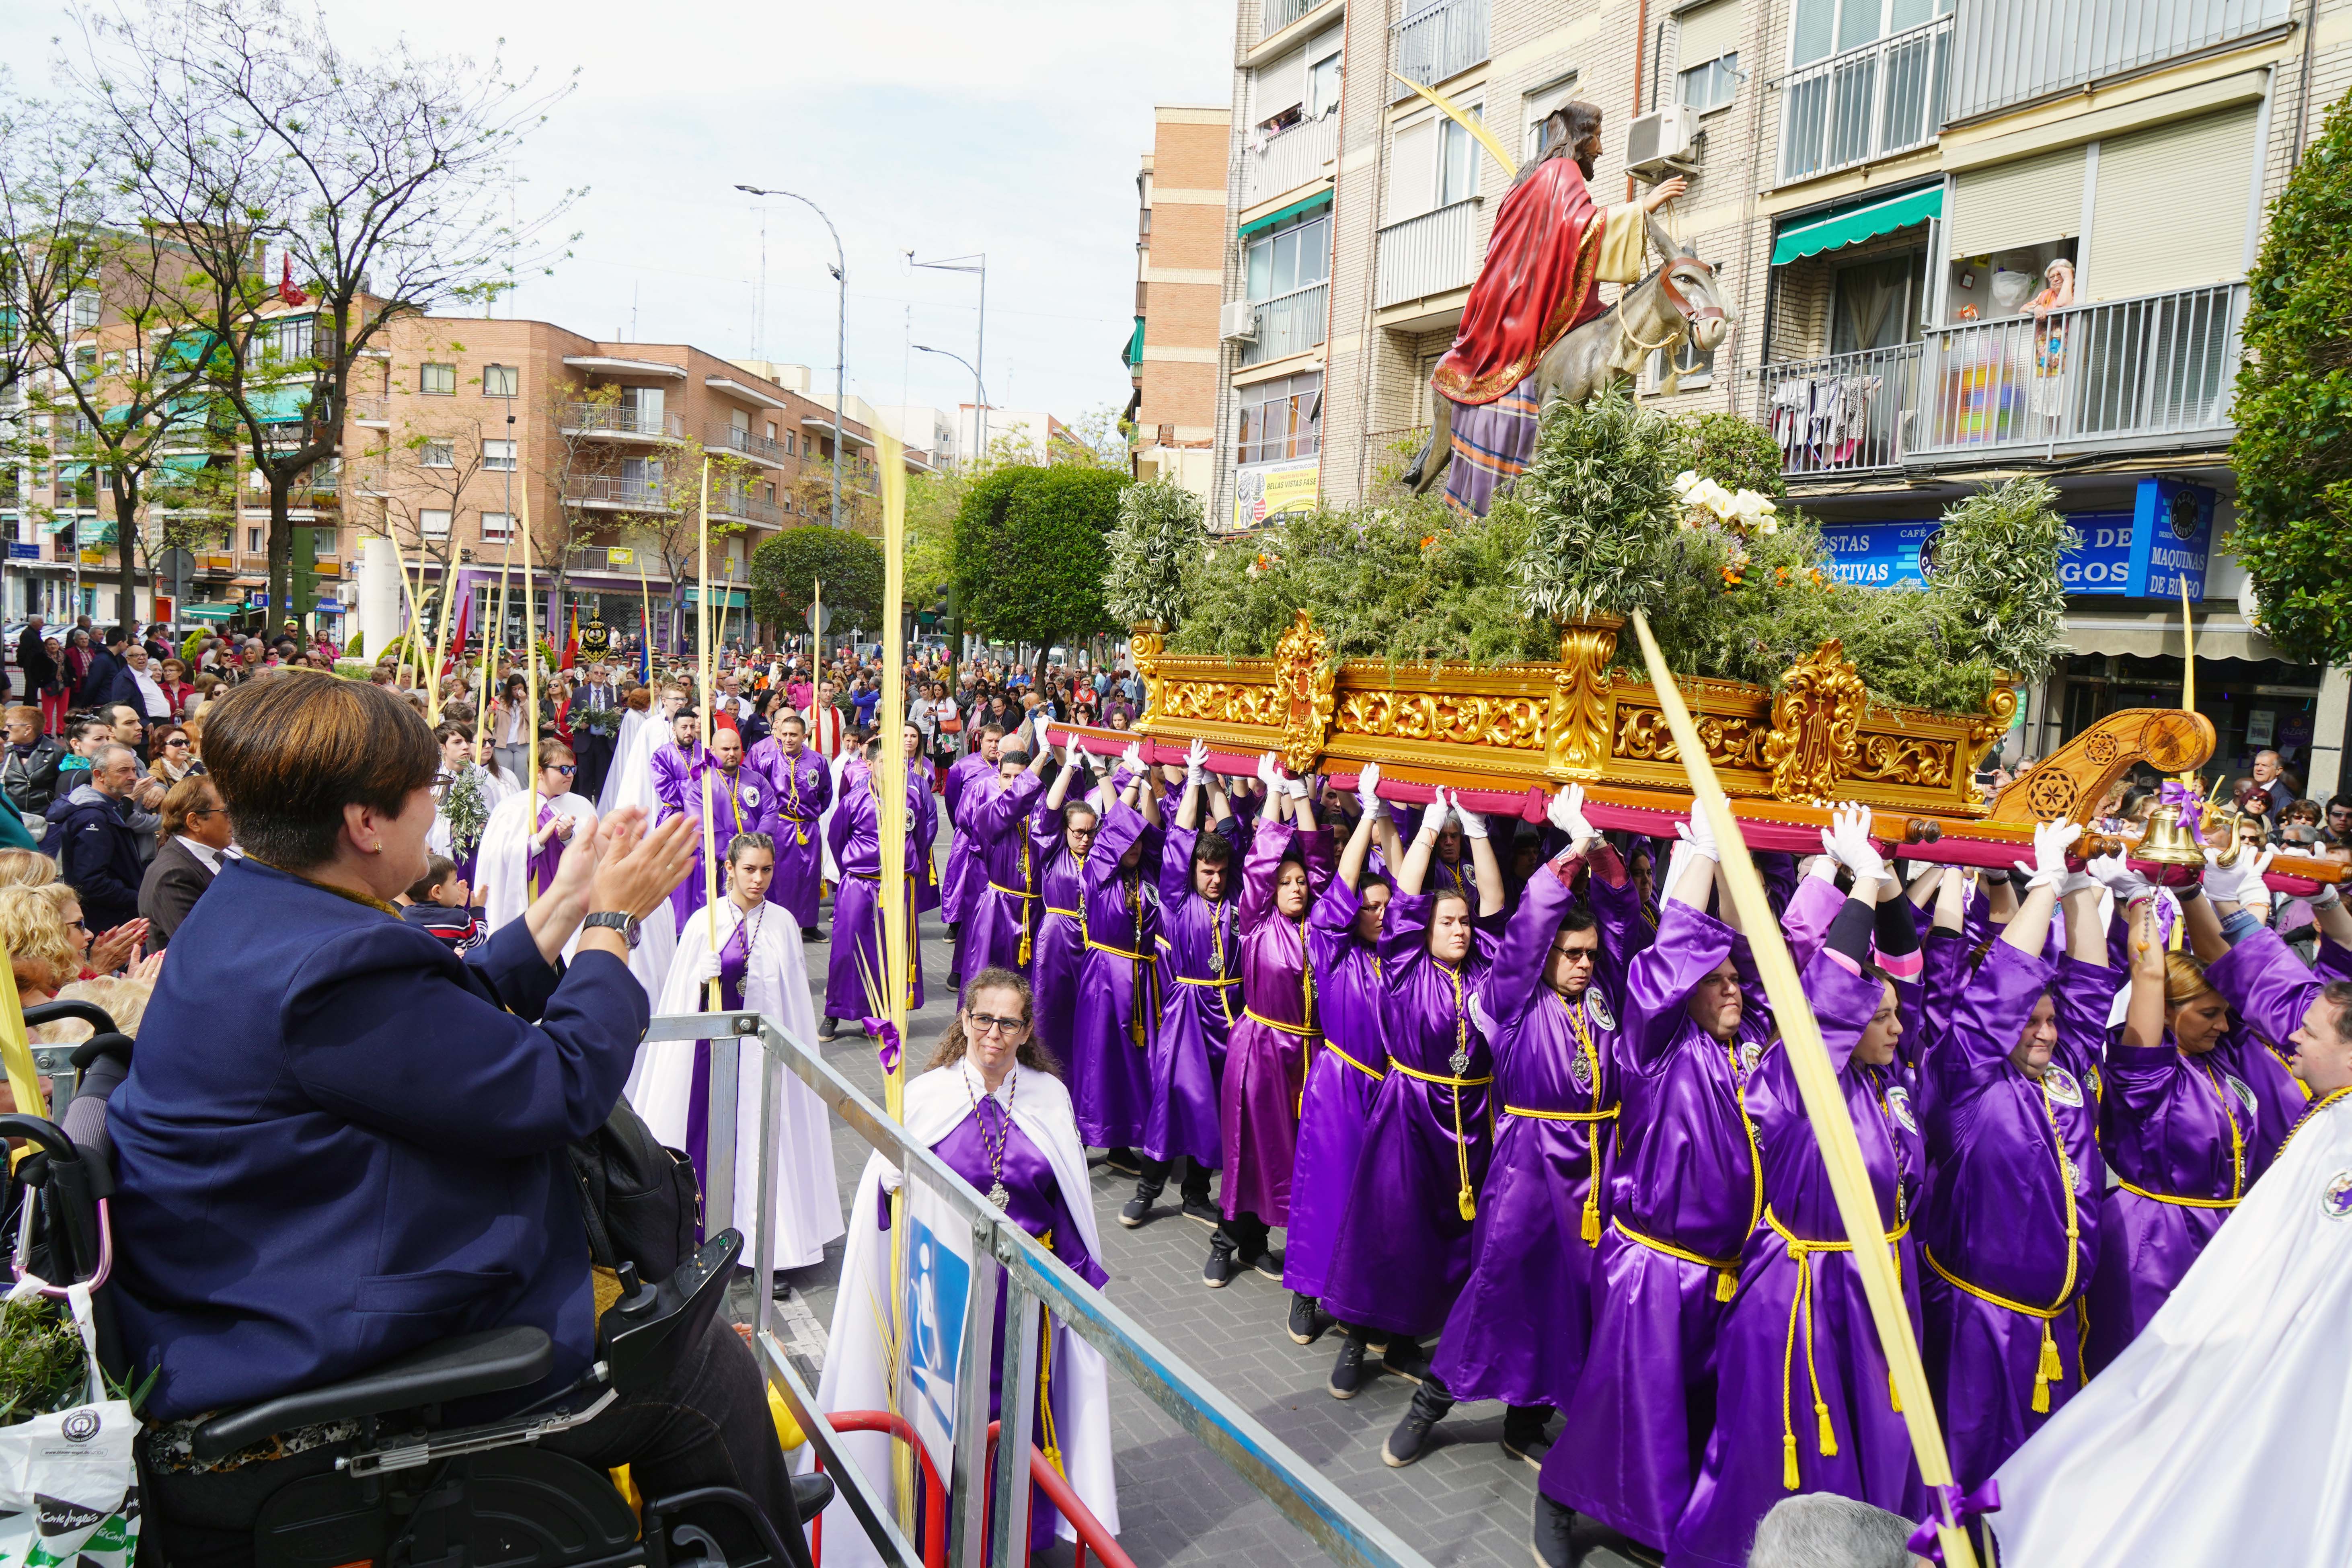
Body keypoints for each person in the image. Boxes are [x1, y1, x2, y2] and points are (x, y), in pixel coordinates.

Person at [102, 673, 798, 1567]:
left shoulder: (251, 909)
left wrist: (567, 902)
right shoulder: (331, 962)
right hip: (306, 1344)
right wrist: (613, 925)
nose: (437, 812)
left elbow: (434, 1017)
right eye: (424, 792)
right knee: (700, 1368)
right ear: (365, 823)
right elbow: (559, 1086)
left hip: (248, 1288)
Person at [1668, 808, 1934, 1567]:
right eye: (1877, 1018)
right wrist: (1855, 887)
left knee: (1881, 1450)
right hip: (1803, 1300)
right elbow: (1821, 997)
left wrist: (1882, 882)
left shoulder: (1887, 1080)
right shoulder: (1792, 1077)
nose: (1896, 1028)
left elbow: (1905, 976)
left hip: (1876, 1293)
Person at [814, 969, 1120, 1563]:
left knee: (1016, 1421)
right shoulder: (925, 1097)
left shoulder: (1048, 1099)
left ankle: (1012, 1541)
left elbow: (1071, 1211)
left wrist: (1075, 1292)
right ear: (964, 1020)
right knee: (944, 1419)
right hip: (944, 1295)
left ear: (1026, 1031)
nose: (993, 1034)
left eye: (1008, 1023)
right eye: (983, 1019)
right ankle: (939, 1534)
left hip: (1022, 1304)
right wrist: (888, 1183)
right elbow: (881, 1208)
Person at [1542, 807, 1769, 1559]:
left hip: (1728, 1273)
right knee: (1622, 1405)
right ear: (1685, 996)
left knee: (1694, 1416)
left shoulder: (1751, 1047)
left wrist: (1729, 862)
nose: (1732, 992)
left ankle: (1662, 1524)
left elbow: (1757, 963)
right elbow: (1668, 962)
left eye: (1735, 984)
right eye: (1717, 984)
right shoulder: (1656, 1047)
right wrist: (1696, 856)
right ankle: (1558, 1496)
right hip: (1654, 1269)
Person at [1384, 785, 1629, 1469]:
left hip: (1595, 1171)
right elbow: (1520, 937)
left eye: (1588, 954)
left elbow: (1623, 922)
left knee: (1573, 1300)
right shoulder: (1509, 1000)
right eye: (1570, 953)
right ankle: (1429, 1404)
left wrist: (1601, 853)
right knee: (1496, 1287)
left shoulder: (1604, 996)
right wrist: (1566, 860)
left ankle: (1526, 1420)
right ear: (1546, 956)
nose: (1583, 963)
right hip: (1529, 1167)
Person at [1914, 820, 2106, 1492]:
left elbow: (2089, 991)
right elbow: (1994, 997)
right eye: (2030, 1023)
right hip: (1975, 1321)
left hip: (2053, 1328)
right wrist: (2042, 885)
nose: (2045, 1034)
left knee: (2041, 1485)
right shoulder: (1965, 1078)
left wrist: (2077, 886)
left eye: (2050, 1022)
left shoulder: (2062, 1075)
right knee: (1964, 1481)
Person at [1417, 102, 1687, 515]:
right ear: (1580, 137)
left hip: (1513, 296)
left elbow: (1561, 235)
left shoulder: (1537, 175)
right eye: (1597, 138)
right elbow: (1578, 229)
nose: (1600, 149)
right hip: (1522, 306)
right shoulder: (1561, 172)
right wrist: (1642, 208)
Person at [1320, 786, 1502, 1389]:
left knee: (1438, 1235)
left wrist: (1476, 829)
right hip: (1407, 1112)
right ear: (1424, 930)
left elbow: (1495, 906)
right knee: (1385, 1227)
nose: (1460, 930)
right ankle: (1355, 1338)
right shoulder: (1404, 963)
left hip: (1466, 1118)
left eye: (1463, 922)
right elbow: (1403, 900)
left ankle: (1404, 1342)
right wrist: (1425, 831)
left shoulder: (1483, 969)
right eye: (1447, 922)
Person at [639, 832, 843, 1272]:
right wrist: (698, 978)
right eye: (749, 869)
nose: (758, 879)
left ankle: (768, 1251)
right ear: (729, 868)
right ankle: (701, 1239)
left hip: (764, 1058)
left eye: (766, 870)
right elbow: (678, 999)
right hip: (710, 1058)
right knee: (708, 1140)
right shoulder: (705, 923)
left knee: (763, 1144)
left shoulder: (783, 924)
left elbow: (792, 1003)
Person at [1205, 751, 1335, 1288]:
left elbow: (1323, 868)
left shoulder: (1323, 925)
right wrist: (1277, 793)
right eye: (1286, 882)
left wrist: (1302, 796)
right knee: (1252, 1149)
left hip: (1310, 1054)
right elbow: (1259, 863)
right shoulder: (1256, 922)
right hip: (1260, 1049)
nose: (1297, 887)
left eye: (1301, 881)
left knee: (1299, 1155)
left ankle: (1267, 1244)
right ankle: (1226, 1240)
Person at [1282, 765, 1399, 1342]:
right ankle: (1306, 1290)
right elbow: (1342, 887)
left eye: (1385, 907)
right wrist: (1365, 822)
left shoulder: (1403, 958)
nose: (1378, 914)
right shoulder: (1333, 949)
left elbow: (1408, 889)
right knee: (1327, 1188)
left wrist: (1388, 820)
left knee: (1379, 1199)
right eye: (1368, 906)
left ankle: (1364, 1300)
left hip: (1391, 1089)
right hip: (1340, 1083)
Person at [1128, 742, 1237, 1227]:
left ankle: (1196, 1192)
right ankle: (1147, 1190)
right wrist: (1193, 781)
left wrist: (1215, 784)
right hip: (1187, 1011)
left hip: (1230, 1013)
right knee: (1171, 1097)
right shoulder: (1176, 899)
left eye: (1221, 873)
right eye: (1207, 872)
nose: (1214, 880)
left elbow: (1234, 834)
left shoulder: (1239, 904)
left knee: (1217, 1104)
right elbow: (1178, 840)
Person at [1068, 748, 1165, 1174]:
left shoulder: (1148, 876)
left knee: (1138, 1061)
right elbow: (1113, 830)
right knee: (1101, 1057)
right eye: (1128, 840)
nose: (1134, 846)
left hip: (1143, 978)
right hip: (1106, 977)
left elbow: (1154, 830)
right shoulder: (1098, 871)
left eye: (1138, 842)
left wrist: (1146, 786)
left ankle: (1128, 1138)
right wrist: (1119, 778)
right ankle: (1087, 1136)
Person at [820, 736, 937, 1040]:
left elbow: (921, 840)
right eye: (885, 761)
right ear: (870, 765)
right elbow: (837, 839)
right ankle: (835, 1012)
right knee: (848, 950)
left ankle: (878, 1015)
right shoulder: (854, 800)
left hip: (897, 887)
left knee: (889, 953)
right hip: (859, 885)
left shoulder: (911, 799)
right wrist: (856, 871)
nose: (893, 767)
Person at [476, 739, 598, 956]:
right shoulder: (512, 809)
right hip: (528, 901)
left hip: (568, 901)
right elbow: (497, 859)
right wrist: (536, 843)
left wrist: (569, 838)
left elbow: (595, 857)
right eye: (563, 769)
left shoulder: (581, 806)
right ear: (540, 771)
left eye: (573, 769)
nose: (570, 775)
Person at [962, 712, 1053, 979]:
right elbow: (1012, 803)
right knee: (990, 978)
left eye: (1019, 777)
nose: (1013, 783)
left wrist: (1064, 759)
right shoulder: (990, 812)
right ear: (998, 777)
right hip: (998, 907)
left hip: (1036, 906)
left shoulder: (1039, 810)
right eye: (1007, 777)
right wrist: (1043, 753)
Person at [746, 712, 832, 942]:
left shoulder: (818, 762)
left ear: (804, 736)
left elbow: (825, 794)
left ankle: (809, 924)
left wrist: (810, 815)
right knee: (780, 878)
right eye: (784, 734)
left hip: (808, 828)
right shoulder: (768, 761)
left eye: (794, 735)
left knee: (809, 876)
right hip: (780, 828)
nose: (788, 739)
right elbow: (758, 794)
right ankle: (775, 925)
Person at [46, 742, 148, 933]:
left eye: (134, 770)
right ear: (99, 775)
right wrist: (139, 899)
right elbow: (91, 882)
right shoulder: (92, 816)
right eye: (123, 771)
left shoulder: (108, 807)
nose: (133, 777)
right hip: (107, 925)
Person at [139, 774, 232, 946]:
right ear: (194, 822)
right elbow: (201, 946)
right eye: (226, 812)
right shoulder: (173, 876)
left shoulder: (217, 856)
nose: (234, 818)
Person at [399, 854, 487, 953]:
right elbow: (481, 945)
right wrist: (478, 910)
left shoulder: (405, 915)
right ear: (437, 892)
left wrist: (457, 908)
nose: (458, 887)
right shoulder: (461, 918)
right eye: (455, 883)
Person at [565, 662, 624, 802]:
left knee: (603, 780)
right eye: (596, 673)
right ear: (590, 675)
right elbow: (570, 715)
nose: (599, 676)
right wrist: (580, 723)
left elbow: (620, 716)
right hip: (586, 741)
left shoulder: (612, 693)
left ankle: (602, 808)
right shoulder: (579, 692)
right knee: (585, 779)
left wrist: (616, 716)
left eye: (602, 674)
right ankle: (584, 807)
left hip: (605, 743)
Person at [2, 705, 66, 821]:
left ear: (28, 729)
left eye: (9, 726)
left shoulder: (56, 753)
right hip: (12, 819)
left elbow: (64, 792)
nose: (5, 729)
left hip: (44, 820)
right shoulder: (5, 752)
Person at [14, 615, 51, 710]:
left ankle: (30, 707)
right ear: (34, 623)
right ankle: (30, 708)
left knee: (33, 688)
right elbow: (23, 650)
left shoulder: (34, 633)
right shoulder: (28, 634)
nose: (43, 625)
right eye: (41, 622)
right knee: (31, 688)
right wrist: (21, 662)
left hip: (36, 665)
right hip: (31, 665)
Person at [148, 722, 201, 786]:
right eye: (177, 742)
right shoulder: (154, 776)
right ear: (161, 748)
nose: (184, 747)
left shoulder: (195, 768)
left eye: (187, 743)